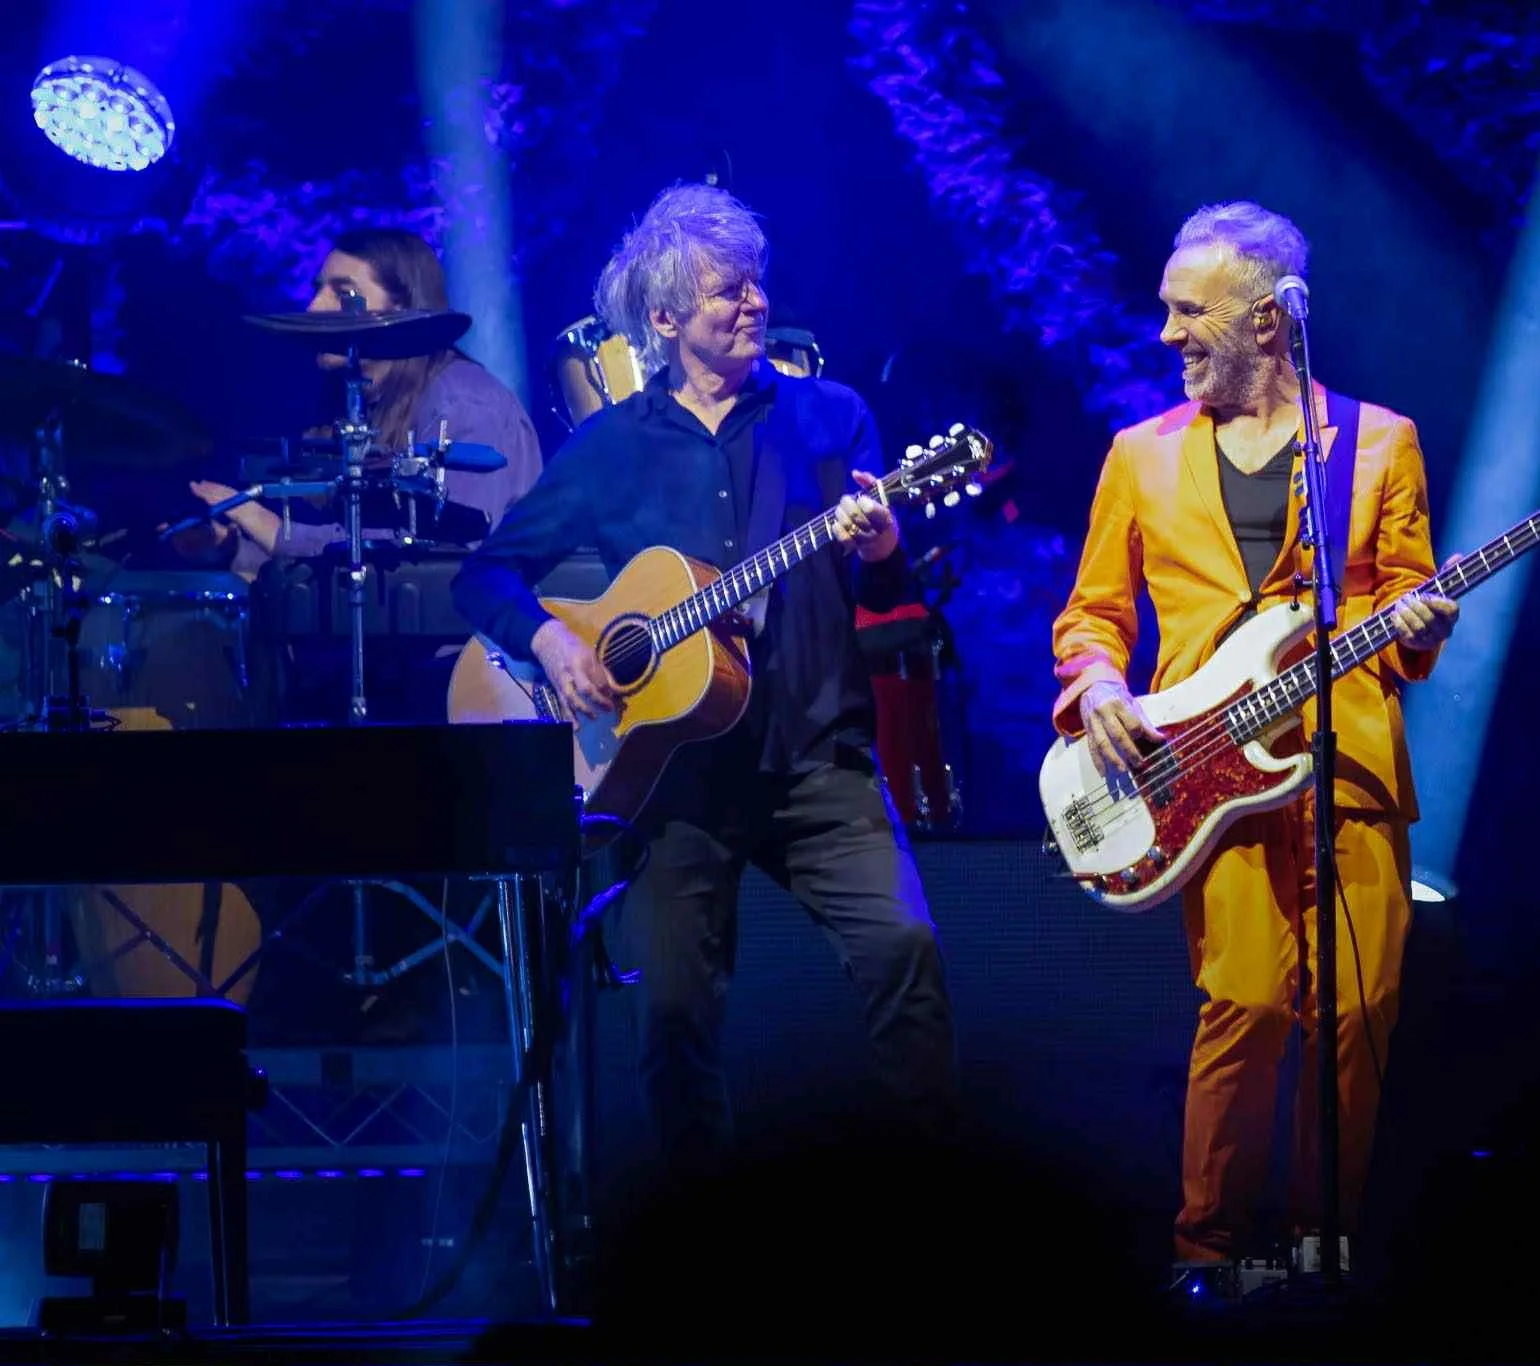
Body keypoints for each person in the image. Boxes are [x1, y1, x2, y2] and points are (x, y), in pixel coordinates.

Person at [449, 182, 960, 1175]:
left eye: (756, 282)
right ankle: (703, 1244)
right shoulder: (609, 449)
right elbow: (486, 576)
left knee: (905, 952)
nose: (754, 302)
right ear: (664, 319)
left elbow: (885, 592)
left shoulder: (831, 416)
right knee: (672, 1018)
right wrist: (553, 644)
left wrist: (884, 544)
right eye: (729, 290)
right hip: (670, 783)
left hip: (818, 759)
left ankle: (937, 1208)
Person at [1049, 201, 1460, 1267]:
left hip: (1348, 763)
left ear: (1269, 320)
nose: (1167, 333)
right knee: (1244, 1004)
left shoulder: (1377, 442)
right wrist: (1098, 687)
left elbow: (1407, 599)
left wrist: (1421, 625)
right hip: (1208, 774)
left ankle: (1325, 1247)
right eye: (1167, 310)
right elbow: (1092, 616)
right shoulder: (1137, 456)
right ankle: (1208, 1255)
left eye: (1190, 312)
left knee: (1355, 1015)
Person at [174, 226, 543, 574]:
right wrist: (234, 551)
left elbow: (444, 557)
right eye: (318, 290)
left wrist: (269, 527)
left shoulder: (462, 401)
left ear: (400, 309)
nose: (314, 308)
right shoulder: (359, 402)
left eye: (343, 294)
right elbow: (351, 564)